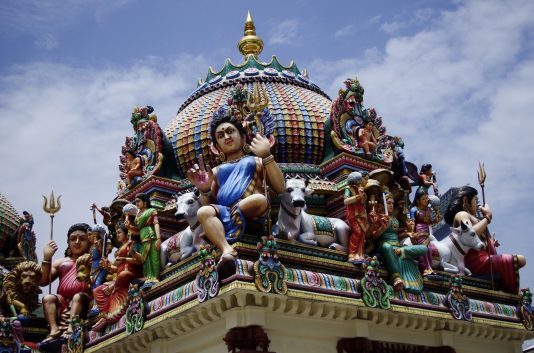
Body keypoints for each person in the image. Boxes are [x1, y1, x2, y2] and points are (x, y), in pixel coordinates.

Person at [186, 107, 285, 266]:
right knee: (203, 211)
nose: (226, 137)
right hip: (224, 210)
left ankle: (224, 224)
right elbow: (210, 203)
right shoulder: (216, 171)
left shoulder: (256, 161)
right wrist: (204, 189)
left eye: (230, 131)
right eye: (220, 135)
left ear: (244, 138)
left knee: (260, 199)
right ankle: (226, 249)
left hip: (251, 208)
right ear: (216, 147)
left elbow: (280, 188)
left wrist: (266, 155)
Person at [444, 186, 526, 293]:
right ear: (465, 201)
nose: (478, 205)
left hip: (485, 259)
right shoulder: (461, 215)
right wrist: (487, 217)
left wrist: (491, 243)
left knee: (519, 260)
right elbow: (469, 233)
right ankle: (513, 294)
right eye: (475, 200)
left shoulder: (476, 219)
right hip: (476, 262)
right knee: (520, 259)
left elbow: (479, 240)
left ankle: (510, 293)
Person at [40, 223, 92, 342]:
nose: (77, 242)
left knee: (78, 296)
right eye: (73, 239)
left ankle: (71, 327)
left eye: (82, 239)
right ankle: (54, 329)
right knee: (48, 298)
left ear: (89, 241)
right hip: (63, 301)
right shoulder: (61, 262)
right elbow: (43, 281)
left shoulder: (92, 260)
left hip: (84, 299)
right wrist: (47, 258)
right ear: (68, 243)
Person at [369, 193, 427, 293]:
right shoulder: (378, 217)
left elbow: (397, 236)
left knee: (424, 248)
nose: (391, 205)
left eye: (392, 203)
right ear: (381, 205)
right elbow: (374, 236)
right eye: (389, 203)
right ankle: (396, 277)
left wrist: (408, 233)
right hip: (385, 245)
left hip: (398, 246)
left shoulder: (394, 219)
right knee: (386, 246)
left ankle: (401, 251)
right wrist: (383, 227)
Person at [92, 222, 142, 332]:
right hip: (119, 278)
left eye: (119, 232)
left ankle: (115, 287)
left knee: (122, 275)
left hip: (129, 274)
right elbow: (116, 268)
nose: (117, 235)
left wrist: (124, 259)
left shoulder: (132, 244)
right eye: (117, 233)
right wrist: (107, 266)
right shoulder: (120, 249)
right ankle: (105, 315)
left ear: (126, 233)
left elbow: (140, 261)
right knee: (97, 291)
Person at [125, 193, 161, 284]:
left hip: (151, 237)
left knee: (154, 258)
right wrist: (129, 227)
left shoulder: (151, 211)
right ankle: (148, 277)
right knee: (145, 259)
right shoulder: (137, 216)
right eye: (135, 202)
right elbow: (138, 231)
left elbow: (156, 223)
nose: (136, 203)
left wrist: (158, 238)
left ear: (145, 201)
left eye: (138, 201)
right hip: (143, 238)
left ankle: (155, 276)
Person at [409, 188, 441, 276]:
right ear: (417, 200)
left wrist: (435, 220)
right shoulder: (414, 210)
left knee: (430, 250)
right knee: (423, 250)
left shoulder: (428, 210)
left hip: (427, 233)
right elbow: (412, 222)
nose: (426, 200)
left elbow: (429, 222)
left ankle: (430, 267)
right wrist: (412, 232)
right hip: (419, 233)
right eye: (423, 199)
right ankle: (425, 269)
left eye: (427, 198)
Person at [344, 171, 368, 263]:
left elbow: (363, 205)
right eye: (365, 179)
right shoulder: (349, 188)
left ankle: (360, 255)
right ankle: (352, 254)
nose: (366, 181)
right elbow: (346, 201)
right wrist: (358, 196)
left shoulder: (361, 190)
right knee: (357, 232)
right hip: (353, 215)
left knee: (362, 235)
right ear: (358, 179)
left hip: (362, 216)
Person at [87, 224, 108, 289]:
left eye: (90, 234)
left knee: (97, 284)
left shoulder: (100, 242)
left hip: (100, 266)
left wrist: (98, 244)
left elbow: (104, 254)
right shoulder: (91, 247)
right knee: (93, 286)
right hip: (93, 267)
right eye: (87, 235)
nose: (88, 237)